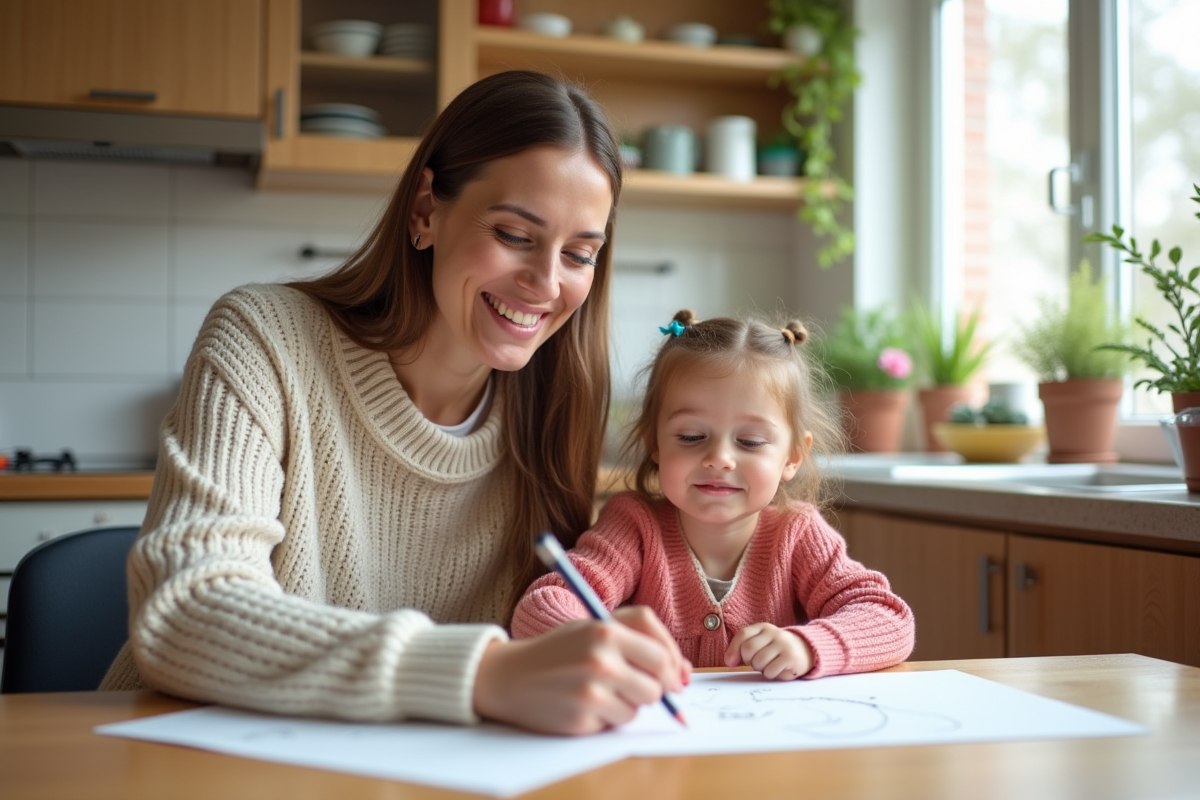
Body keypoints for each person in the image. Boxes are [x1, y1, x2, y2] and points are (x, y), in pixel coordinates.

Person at [99, 70, 689, 736]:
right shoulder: (264, 335)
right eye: (516, 236)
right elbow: (187, 612)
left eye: (580, 253)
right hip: (186, 756)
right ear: (426, 211)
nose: (545, 284)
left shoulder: (559, 402)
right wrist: (482, 673)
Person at [512, 310, 915, 680]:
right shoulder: (633, 525)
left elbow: (889, 618)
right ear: (655, 442)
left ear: (792, 456)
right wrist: (594, 638)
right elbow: (542, 607)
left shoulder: (798, 532)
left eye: (751, 442)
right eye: (691, 437)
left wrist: (809, 646)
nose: (719, 459)